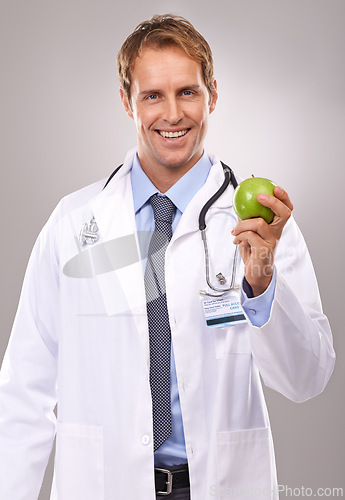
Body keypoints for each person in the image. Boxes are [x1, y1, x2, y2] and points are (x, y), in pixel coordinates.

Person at [0, 14, 335, 500]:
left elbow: (307, 378)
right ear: (126, 101)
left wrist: (261, 281)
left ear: (212, 95)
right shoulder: (73, 222)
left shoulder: (262, 223)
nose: (172, 114)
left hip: (220, 485)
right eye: (153, 95)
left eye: (188, 92)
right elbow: (24, 389)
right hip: (103, 485)